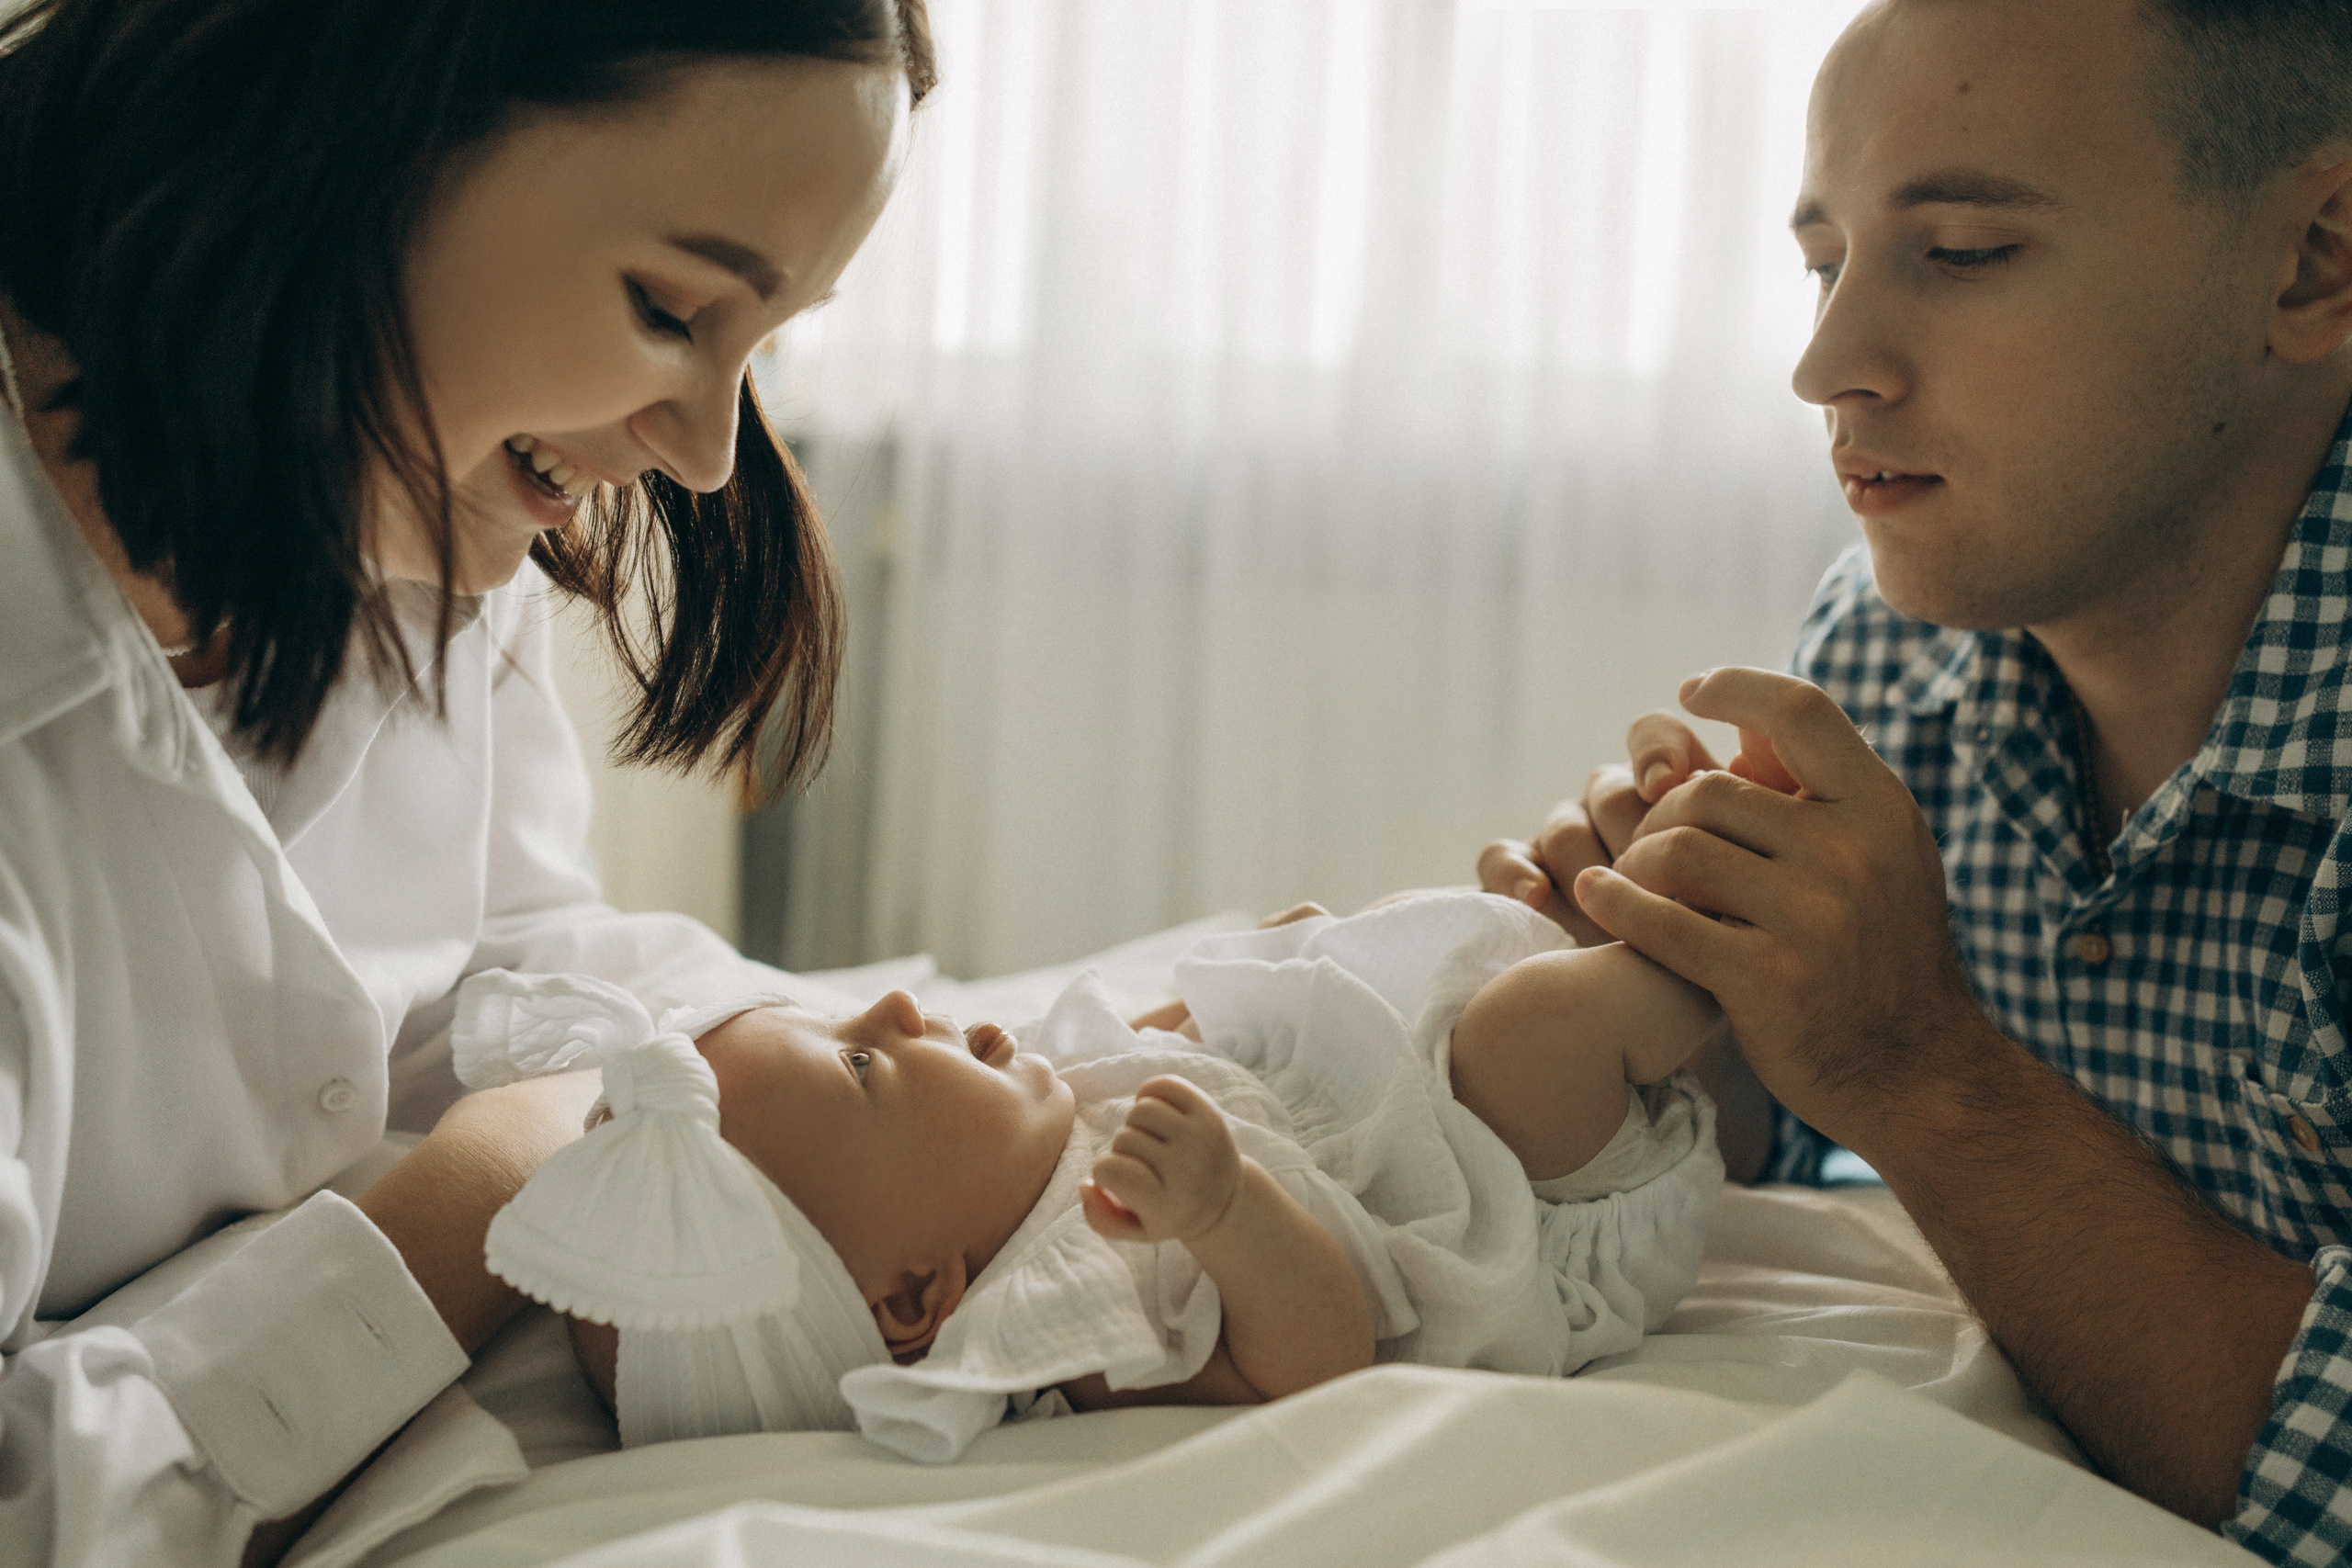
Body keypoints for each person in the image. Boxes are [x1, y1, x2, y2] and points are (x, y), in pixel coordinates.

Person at [0, 2, 934, 1562]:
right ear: (355, 129)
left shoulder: (403, 502)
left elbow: (506, 964)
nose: (711, 453)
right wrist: (473, 1203)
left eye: (764, 344)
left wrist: (1131, 1075)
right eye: (670, 307)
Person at [1477, 0, 2352, 1560]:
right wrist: (1704, 1028)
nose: (1828, 365)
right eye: (1825, 264)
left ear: (2313, 261)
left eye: (1961, 253)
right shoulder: (1885, 644)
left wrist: (1913, 1063)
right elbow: (1831, 1167)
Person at [446, 891, 1725, 1461]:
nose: (895, 1006)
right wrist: (1226, 1217)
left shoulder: (1028, 1131)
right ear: (914, 1299)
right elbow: (1321, 1364)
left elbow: (1147, 1044)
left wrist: (1255, 991)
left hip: (1419, 1113)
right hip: (1522, 1212)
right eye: (863, 1070)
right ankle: (1752, 962)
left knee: (1513, 969)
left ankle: (1695, 920)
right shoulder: (1073, 1320)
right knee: (1541, 1033)